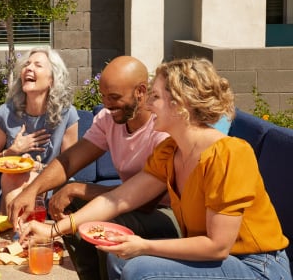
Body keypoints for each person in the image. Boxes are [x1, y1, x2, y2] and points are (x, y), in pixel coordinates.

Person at [20, 58, 292, 280]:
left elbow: (218, 246)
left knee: (139, 268)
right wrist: (54, 230)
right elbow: (118, 199)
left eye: (155, 97)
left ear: (181, 104)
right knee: (118, 250)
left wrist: (143, 246)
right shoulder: (170, 152)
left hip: (257, 266)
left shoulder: (230, 154)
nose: (148, 105)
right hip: (218, 260)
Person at [8, 55, 180, 280]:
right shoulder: (109, 118)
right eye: (104, 96)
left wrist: (77, 189)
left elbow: (146, 199)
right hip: (130, 199)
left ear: (140, 91)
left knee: (100, 222)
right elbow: (70, 160)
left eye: (115, 97)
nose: (107, 104)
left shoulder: (162, 131)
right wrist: (31, 191)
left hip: (168, 212)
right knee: (68, 203)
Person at [0, 46, 78, 214]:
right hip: (14, 184)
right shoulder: (5, 114)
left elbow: (71, 164)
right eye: (27, 64)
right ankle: (16, 231)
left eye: (38, 65)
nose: (28, 68)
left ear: (52, 79)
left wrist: (37, 168)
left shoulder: (67, 114)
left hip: (54, 183)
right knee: (14, 177)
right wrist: (12, 152)